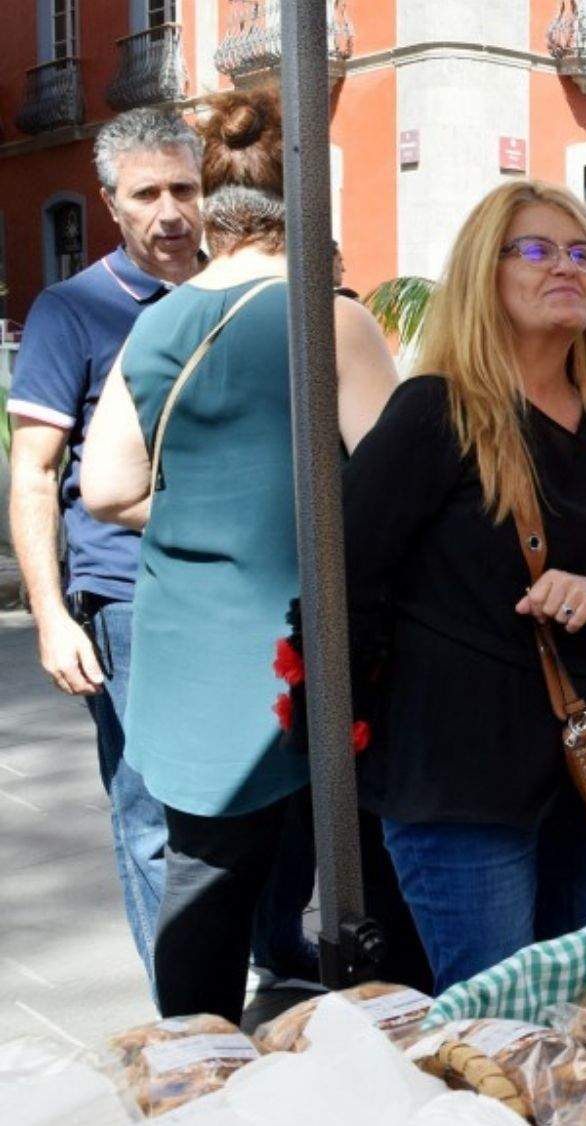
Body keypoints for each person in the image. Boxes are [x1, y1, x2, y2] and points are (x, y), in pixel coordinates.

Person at [77, 90, 406, 1021]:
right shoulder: (327, 319)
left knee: (204, 881)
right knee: (366, 869)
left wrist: (212, 515)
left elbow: (104, 489)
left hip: (188, 643)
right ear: (305, 202)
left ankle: (198, 1067)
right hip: (309, 647)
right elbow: (393, 491)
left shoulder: (157, 322)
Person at [339, 180, 586, 990]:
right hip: (459, 784)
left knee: (557, 1001)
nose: (565, 267)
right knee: (496, 1017)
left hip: (583, 771)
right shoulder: (435, 413)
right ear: (486, 271)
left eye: (583, 254)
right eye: (535, 250)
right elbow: (345, 584)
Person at [5, 107, 201, 987]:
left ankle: (276, 950)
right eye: (146, 194)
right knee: (151, 804)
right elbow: (35, 473)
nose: (170, 212)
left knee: (269, 792)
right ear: (111, 204)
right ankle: (185, 1013)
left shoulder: (235, 293)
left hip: (242, 587)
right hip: (127, 594)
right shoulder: (72, 310)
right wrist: (51, 617)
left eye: (184, 188)